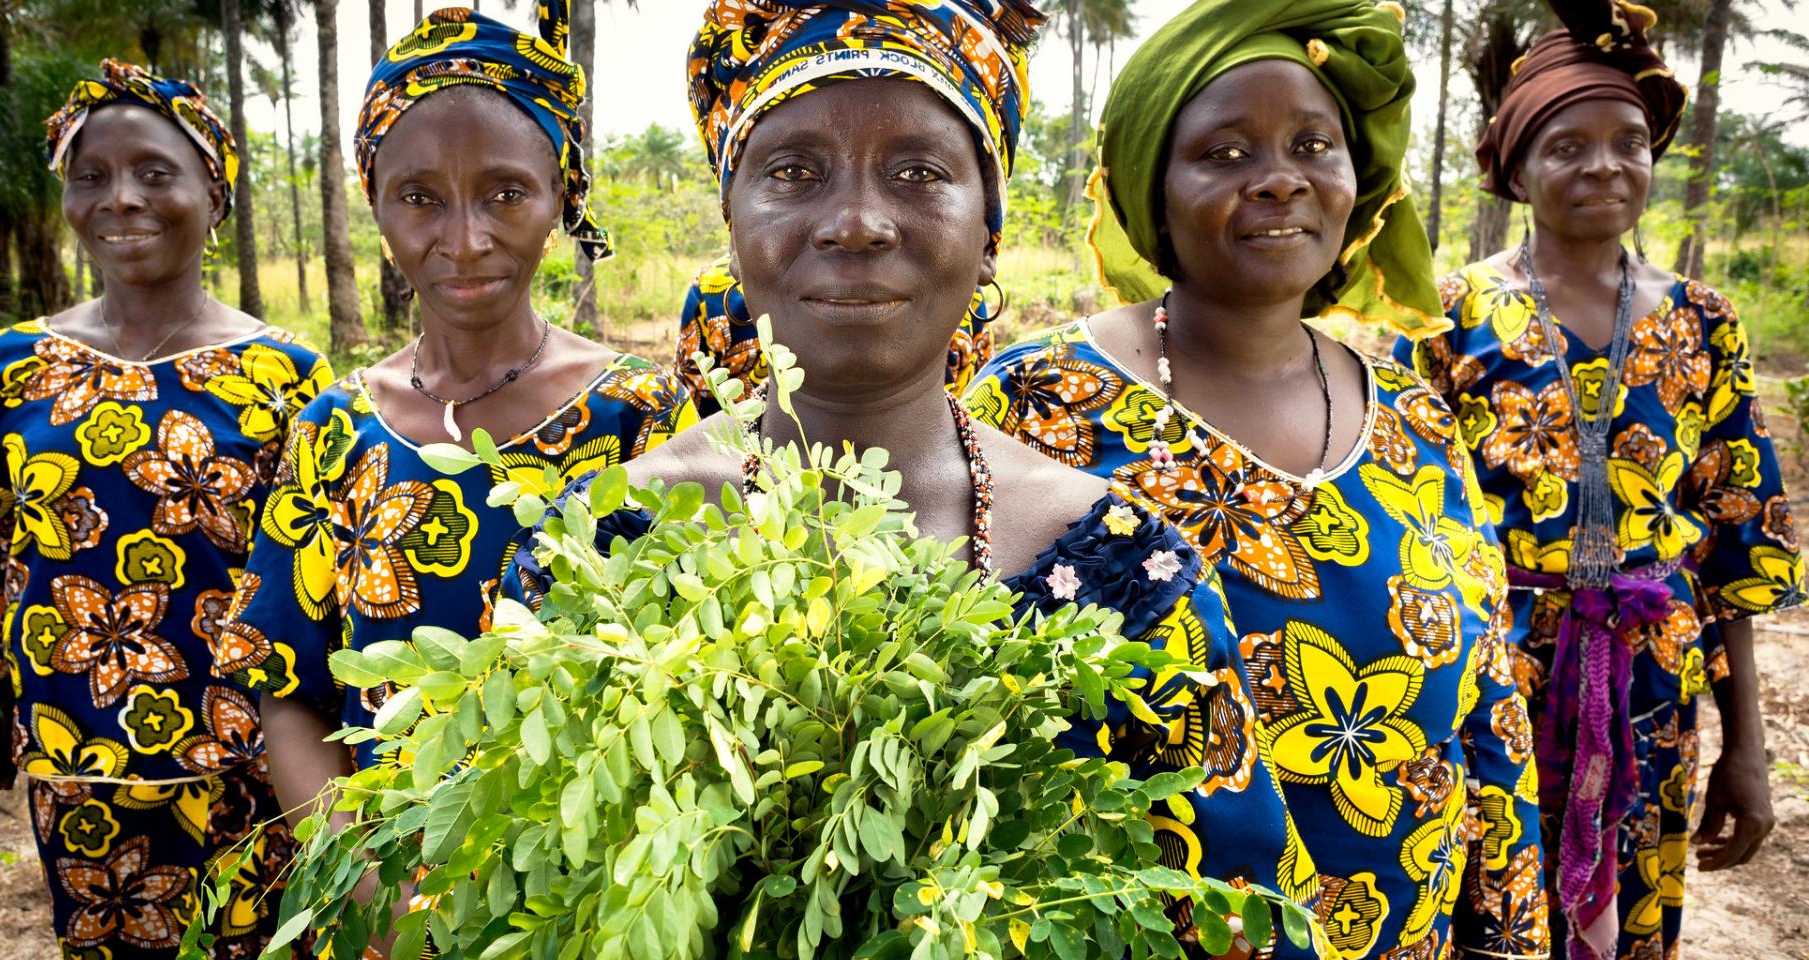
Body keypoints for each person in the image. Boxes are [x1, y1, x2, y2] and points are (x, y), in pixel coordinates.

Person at [511, 1, 1332, 954]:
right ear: (731, 226)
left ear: (989, 230)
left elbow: (1238, 924)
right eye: (793, 173)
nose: (856, 223)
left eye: (918, 173)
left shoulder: (1122, 571)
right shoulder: (603, 548)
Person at [964, 1, 1548, 956]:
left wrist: (1509, 934)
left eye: (1314, 144)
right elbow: (983, 728)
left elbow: (1491, 703)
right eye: (1225, 154)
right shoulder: (1038, 403)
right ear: (1154, 191)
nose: (1281, 179)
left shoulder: (1415, 419)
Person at [213, 5, 694, 831]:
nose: (464, 240)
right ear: (376, 204)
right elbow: (288, 691)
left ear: (560, 199)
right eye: (419, 198)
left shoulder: (642, 415)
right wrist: (358, 887)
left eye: (505, 194)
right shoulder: (336, 431)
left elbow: (684, 688)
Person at [1395, 1, 1797, 956]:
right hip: (1490, 674)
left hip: (1650, 681)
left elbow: (1738, 540)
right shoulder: (1450, 313)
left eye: (1628, 142)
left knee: (1627, 924)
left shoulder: (1705, 320)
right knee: (1485, 907)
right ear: (1516, 167)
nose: (1604, 166)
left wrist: (1748, 749)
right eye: (1567, 146)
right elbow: (1410, 517)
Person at [0, 60, 332, 959]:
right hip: (78, 794)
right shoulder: (13, 368)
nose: (121, 200)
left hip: (252, 790)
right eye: (90, 177)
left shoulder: (290, 376)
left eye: (154, 172)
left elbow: (315, 605)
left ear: (214, 195)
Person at [672, 255, 997, 415]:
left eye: (919, 175)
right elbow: (701, 413)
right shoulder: (710, 295)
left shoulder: (964, 298)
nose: (853, 229)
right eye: (793, 173)